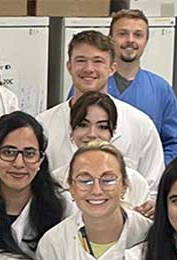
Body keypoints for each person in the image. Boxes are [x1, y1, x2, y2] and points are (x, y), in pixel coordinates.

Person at [37, 31, 164, 181]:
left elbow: (153, 188)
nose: (89, 68)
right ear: (69, 66)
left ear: (112, 69)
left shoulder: (140, 125)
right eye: (81, 60)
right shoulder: (43, 124)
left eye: (98, 61)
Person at [0, 111, 70, 256]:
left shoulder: (63, 206)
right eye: (9, 152)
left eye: (29, 154)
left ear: (40, 160)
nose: (18, 163)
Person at [51, 91, 154, 215]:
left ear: (113, 133)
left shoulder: (135, 182)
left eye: (102, 127)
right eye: (83, 125)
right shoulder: (56, 181)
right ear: (72, 131)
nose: (92, 134)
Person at [109, 9, 177, 165]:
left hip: (148, 183)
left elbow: (174, 143)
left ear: (146, 41)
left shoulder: (160, 89)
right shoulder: (91, 85)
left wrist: (157, 173)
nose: (130, 40)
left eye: (138, 35)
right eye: (122, 33)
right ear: (110, 39)